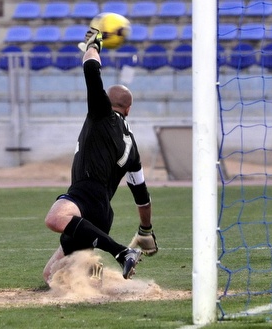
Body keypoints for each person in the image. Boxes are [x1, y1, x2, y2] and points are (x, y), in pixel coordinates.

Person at [43, 29, 158, 285]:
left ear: (106, 101)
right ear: (128, 109)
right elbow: (141, 195)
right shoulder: (133, 145)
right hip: (103, 212)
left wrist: (93, 47)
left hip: (85, 195)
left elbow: (91, 71)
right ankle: (107, 282)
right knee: (52, 275)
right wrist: (146, 229)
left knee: (55, 218)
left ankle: (121, 251)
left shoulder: (101, 113)